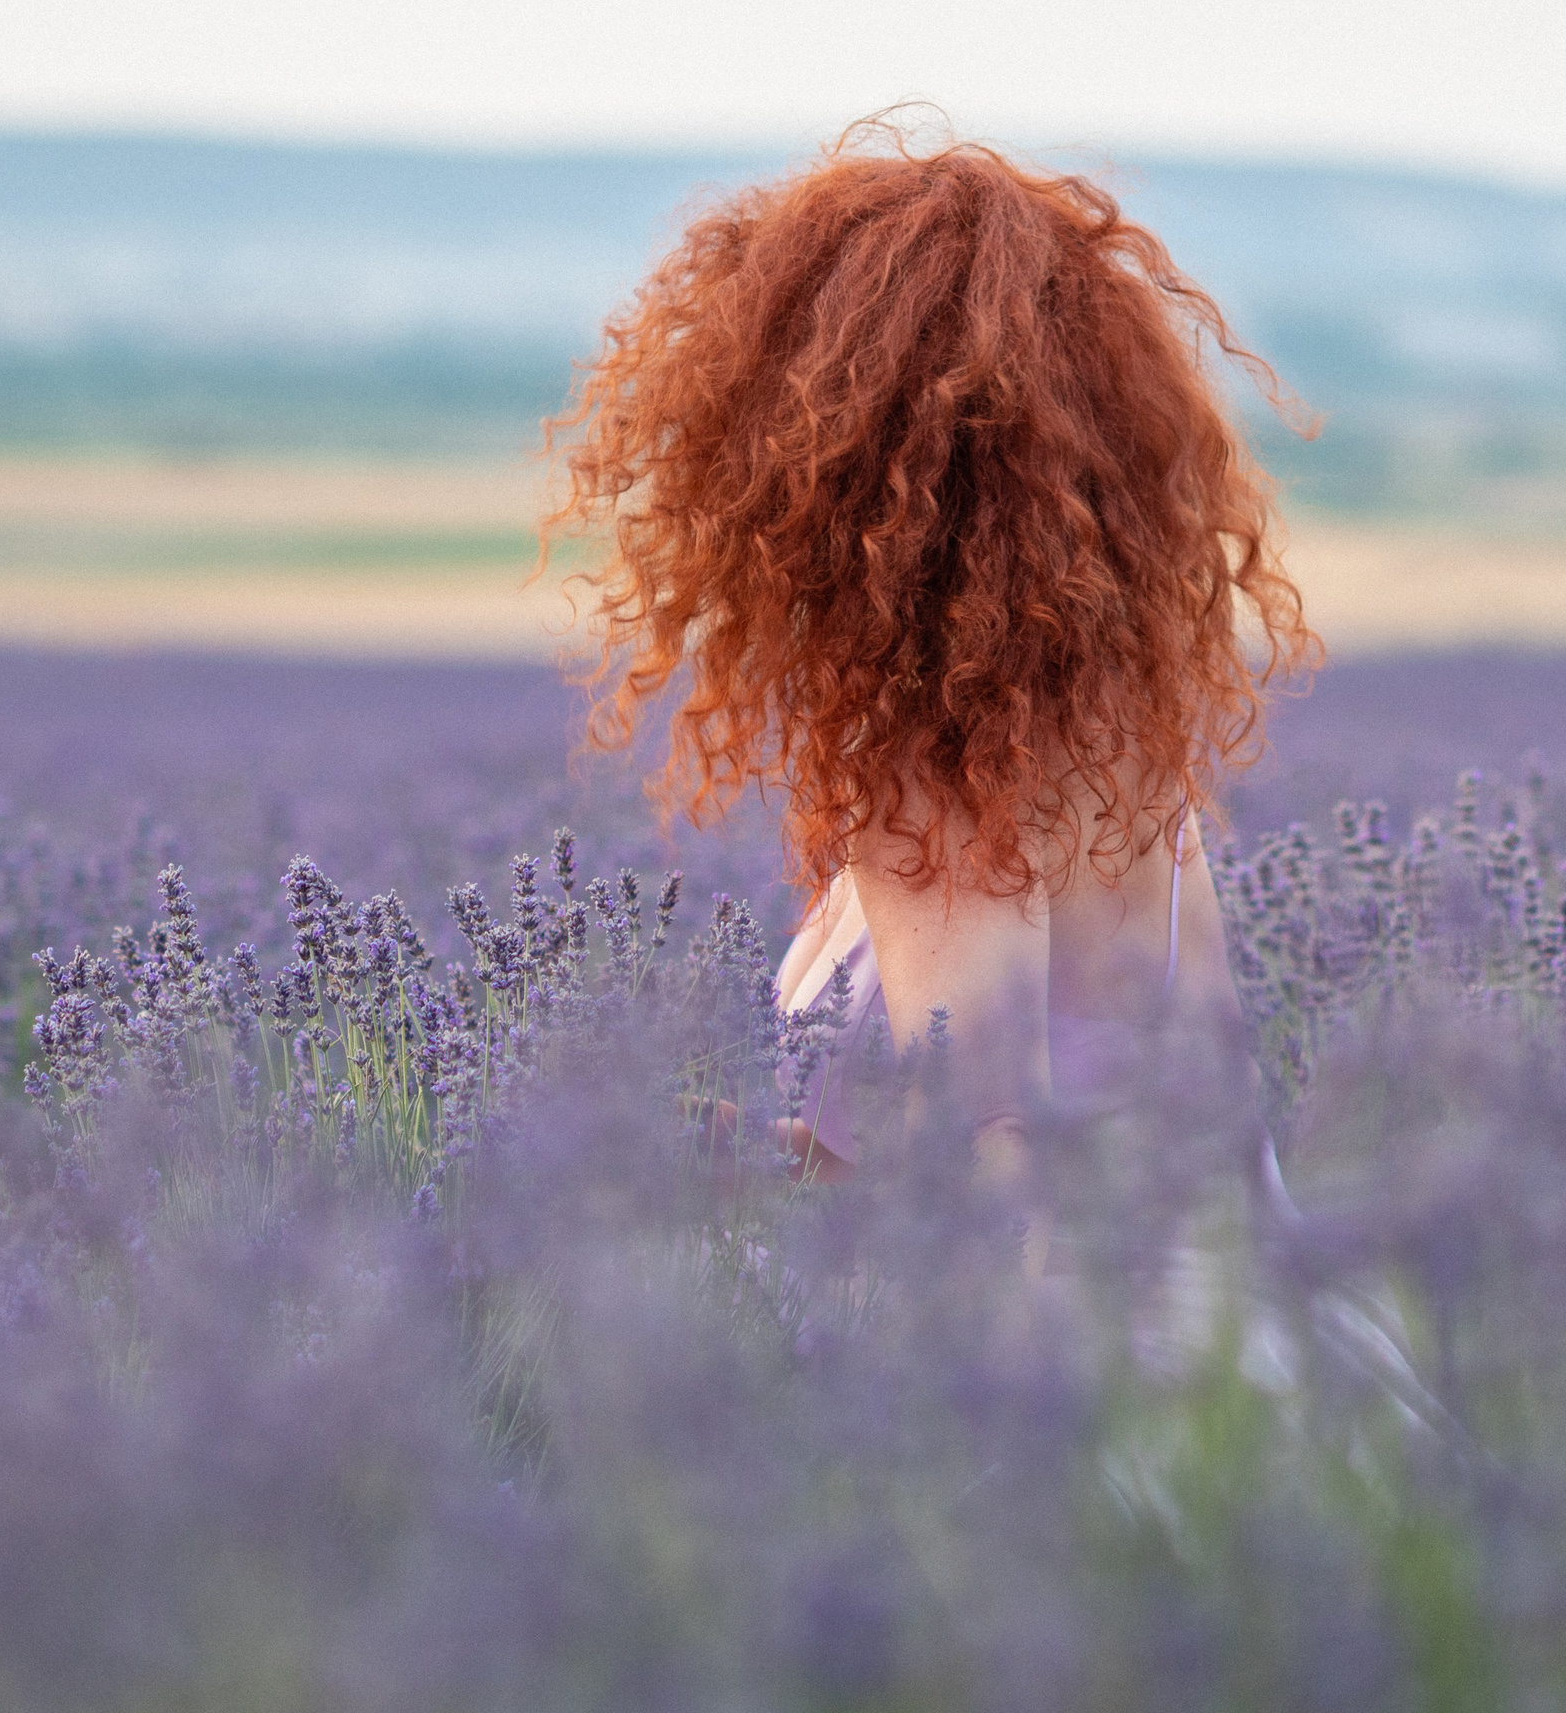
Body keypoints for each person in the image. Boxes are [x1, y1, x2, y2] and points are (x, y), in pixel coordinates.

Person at [540, 121, 1317, 1195]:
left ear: (820, 477)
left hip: (1074, 1351)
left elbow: (997, 1183)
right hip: (1227, 1319)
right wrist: (770, 1164)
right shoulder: (1123, 751)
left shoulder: (942, 779)